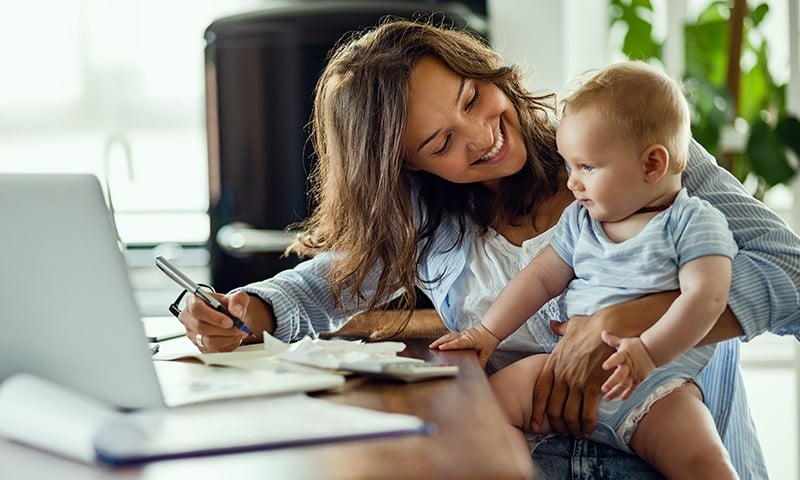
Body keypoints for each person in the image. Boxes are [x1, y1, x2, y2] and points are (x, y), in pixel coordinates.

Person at [177, 18, 800, 479]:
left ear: (485, 70)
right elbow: (328, 281)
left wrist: (625, 318)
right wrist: (245, 310)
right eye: (441, 142)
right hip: (530, 462)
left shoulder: (634, 150)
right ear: (408, 168)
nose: (481, 137)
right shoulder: (429, 216)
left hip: (673, 453)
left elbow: (792, 274)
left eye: (473, 98)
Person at [430, 61, 739, 479]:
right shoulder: (582, 221)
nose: (572, 183)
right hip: (561, 373)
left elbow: (708, 299)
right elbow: (539, 279)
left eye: (587, 168)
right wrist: (488, 332)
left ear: (651, 165)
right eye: (569, 166)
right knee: (480, 411)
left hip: (656, 388)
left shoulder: (693, 223)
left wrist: (647, 353)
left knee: (706, 464)